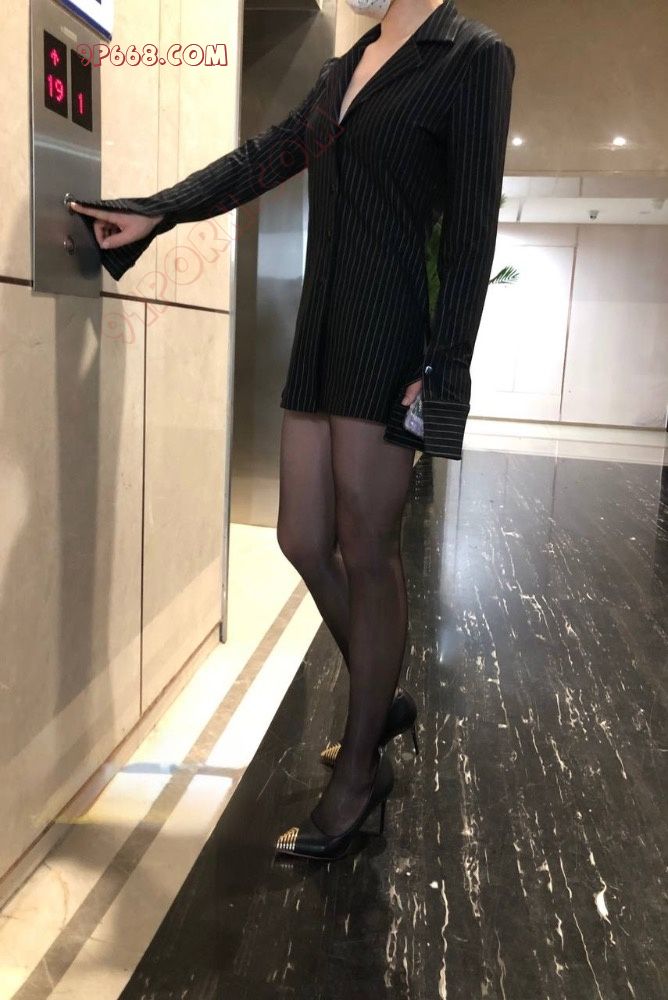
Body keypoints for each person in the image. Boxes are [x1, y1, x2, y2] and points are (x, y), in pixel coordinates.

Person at [68, 0, 515, 861]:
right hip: (320, 331)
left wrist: (444, 365)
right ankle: (378, 699)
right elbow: (263, 157)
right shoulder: (343, 68)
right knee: (302, 538)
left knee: (368, 549)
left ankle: (358, 777)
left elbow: (471, 233)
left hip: (389, 337)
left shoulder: (473, 57)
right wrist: (161, 210)